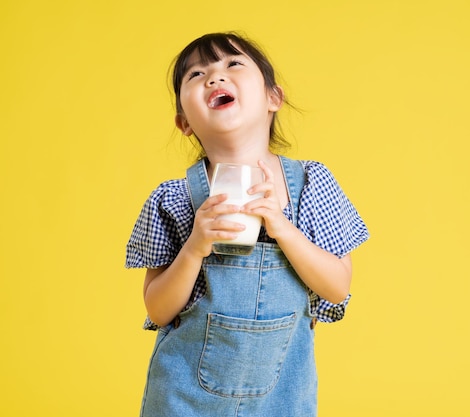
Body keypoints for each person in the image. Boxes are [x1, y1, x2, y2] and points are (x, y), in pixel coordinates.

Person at [126, 32, 369, 417]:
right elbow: (158, 309)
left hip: (281, 397)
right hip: (185, 396)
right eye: (196, 74)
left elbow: (337, 287)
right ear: (184, 122)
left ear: (274, 98)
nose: (214, 78)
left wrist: (281, 226)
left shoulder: (311, 185)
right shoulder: (173, 199)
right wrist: (194, 246)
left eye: (232, 64)